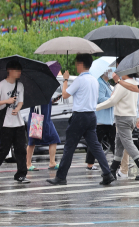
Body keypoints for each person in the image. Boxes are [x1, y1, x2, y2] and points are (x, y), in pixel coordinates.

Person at [47, 54, 114, 186]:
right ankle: (107, 173)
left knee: (69, 147)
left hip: (79, 117)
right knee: (95, 146)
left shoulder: (79, 80)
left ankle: (61, 177)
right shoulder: (94, 80)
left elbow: (65, 94)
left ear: (80, 64)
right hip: (91, 116)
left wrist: (65, 80)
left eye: (77, 63)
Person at [96, 67, 139, 181]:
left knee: (127, 144)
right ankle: (113, 169)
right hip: (131, 116)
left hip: (122, 118)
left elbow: (112, 101)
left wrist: (95, 107)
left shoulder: (123, 85)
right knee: (119, 143)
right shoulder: (135, 83)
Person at [0, 60, 30, 184]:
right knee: (3, 150)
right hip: (5, 123)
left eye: (20, 71)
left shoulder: (20, 85)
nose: (19, 73)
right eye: (17, 70)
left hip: (19, 122)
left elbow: (21, 101)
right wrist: (7, 101)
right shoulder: (1, 85)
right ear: (9, 71)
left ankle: (21, 174)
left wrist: (17, 108)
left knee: (21, 149)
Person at [86, 72, 115, 172]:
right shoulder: (100, 83)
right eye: (110, 70)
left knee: (113, 141)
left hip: (108, 119)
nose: (111, 72)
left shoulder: (106, 83)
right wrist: (113, 99)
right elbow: (100, 99)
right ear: (105, 71)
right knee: (95, 142)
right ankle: (90, 164)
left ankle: (118, 163)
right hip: (101, 119)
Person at [26, 99, 61, 171]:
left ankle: (52, 162)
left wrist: (52, 101)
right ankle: (28, 164)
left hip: (47, 120)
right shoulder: (36, 93)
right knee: (32, 142)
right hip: (37, 119)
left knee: (54, 139)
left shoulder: (46, 93)